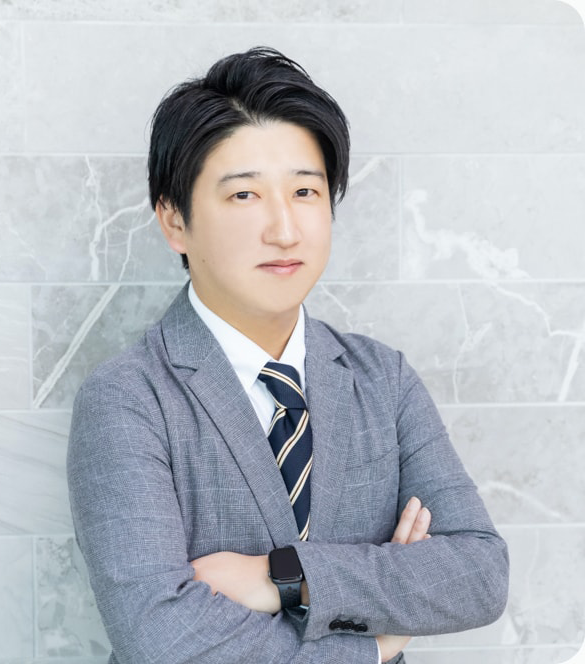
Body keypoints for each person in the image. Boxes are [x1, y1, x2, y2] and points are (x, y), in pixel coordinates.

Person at [67, 46, 509, 664]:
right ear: (174, 221)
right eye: (244, 196)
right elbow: (160, 636)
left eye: (305, 191)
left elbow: (480, 574)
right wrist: (372, 646)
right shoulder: (128, 398)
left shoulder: (382, 379)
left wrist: (282, 576)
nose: (284, 229)